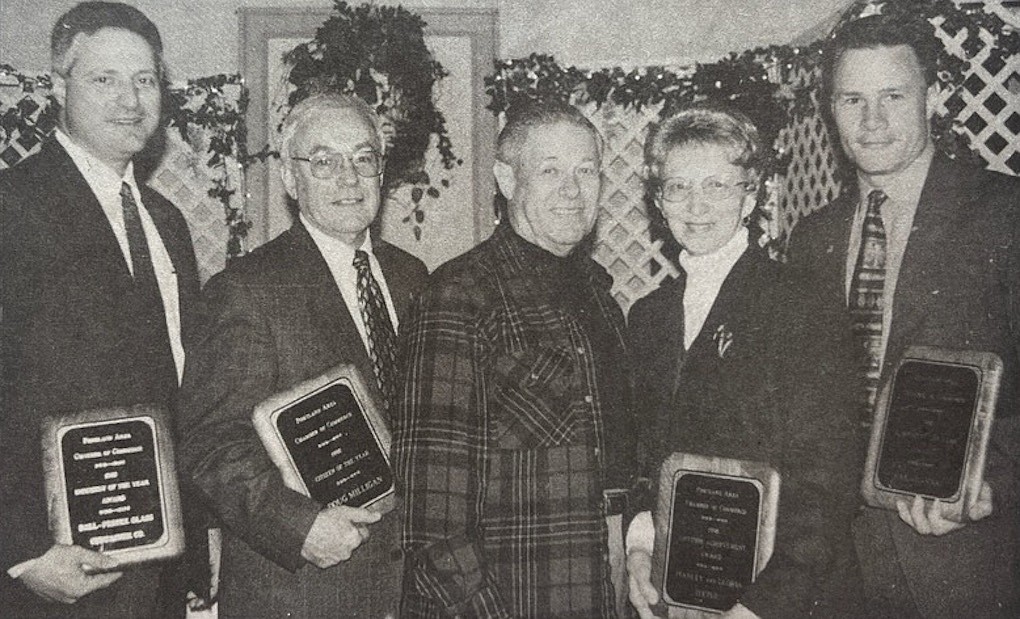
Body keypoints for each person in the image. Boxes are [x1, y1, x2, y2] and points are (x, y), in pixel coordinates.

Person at [787, 12, 1020, 618]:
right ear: (830, 109)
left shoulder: (1005, 214)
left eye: (893, 95)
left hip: (965, 563)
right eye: (852, 99)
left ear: (933, 97)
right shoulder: (811, 239)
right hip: (834, 571)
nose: (873, 121)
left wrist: (993, 484)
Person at [176, 92, 427, 618]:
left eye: (363, 159)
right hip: (304, 591)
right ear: (292, 180)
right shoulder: (246, 290)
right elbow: (211, 444)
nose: (348, 178)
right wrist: (300, 526)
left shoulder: (413, 279)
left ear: (382, 173)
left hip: (406, 588)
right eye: (324, 161)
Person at [394, 100, 635, 618]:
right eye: (550, 170)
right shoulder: (459, 297)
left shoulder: (602, 301)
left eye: (586, 171)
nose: (572, 190)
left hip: (607, 586)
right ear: (506, 179)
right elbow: (430, 518)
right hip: (514, 601)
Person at [0, 2, 201, 616]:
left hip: (157, 562)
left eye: (145, 80)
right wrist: (21, 550)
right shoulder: (12, 209)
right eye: (104, 79)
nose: (130, 100)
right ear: (58, 87)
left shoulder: (167, 223)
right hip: (55, 572)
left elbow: (174, 386)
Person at [625, 103, 862, 618]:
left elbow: (826, 481)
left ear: (751, 194)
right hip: (679, 594)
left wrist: (759, 608)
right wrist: (640, 550)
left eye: (717, 185)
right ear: (659, 201)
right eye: (678, 187)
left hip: (782, 600)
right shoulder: (649, 317)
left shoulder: (801, 304)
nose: (696, 204)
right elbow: (646, 458)